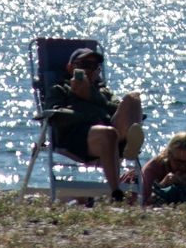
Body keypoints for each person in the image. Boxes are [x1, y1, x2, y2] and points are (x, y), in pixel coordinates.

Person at [44, 47, 145, 202]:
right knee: (108, 133)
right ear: (70, 67)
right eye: (84, 65)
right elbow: (54, 114)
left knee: (133, 98)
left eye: (94, 66)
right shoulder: (60, 88)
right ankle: (116, 191)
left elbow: (117, 109)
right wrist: (81, 101)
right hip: (79, 138)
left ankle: (130, 145)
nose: (90, 70)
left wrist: (91, 96)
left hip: (113, 131)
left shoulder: (102, 92)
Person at [140, 131, 186, 205]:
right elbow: (142, 203)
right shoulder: (153, 168)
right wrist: (162, 186)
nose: (182, 167)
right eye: (178, 162)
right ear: (169, 156)